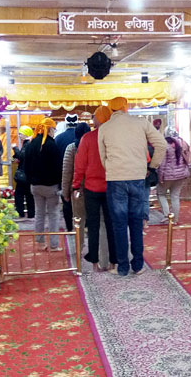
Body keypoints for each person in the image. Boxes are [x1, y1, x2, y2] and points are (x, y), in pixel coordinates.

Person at [99, 97, 167, 276]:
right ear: (126, 107)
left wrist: (114, 170)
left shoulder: (104, 128)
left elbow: (103, 157)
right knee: (136, 222)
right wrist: (151, 166)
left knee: (119, 225)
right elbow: (161, 144)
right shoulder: (141, 123)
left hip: (115, 180)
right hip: (138, 177)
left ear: (111, 110)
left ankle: (122, 267)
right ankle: (138, 265)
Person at [74, 106, 116, 271]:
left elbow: (80, 165)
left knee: (93, 226)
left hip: (91, 188)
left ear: (99, 119)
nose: (93, 120)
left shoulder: (88, 138)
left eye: (95, 117)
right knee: (112, 226)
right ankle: (114, 262)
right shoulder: (115, 138)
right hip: (112, 187)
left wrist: (76, 185)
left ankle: (94, 264)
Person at [25, 117, 63, 252]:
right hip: (50, 187)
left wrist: (31, 181)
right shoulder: (52, 145)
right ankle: (53, 245)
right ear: (50, 129)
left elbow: (26, 167)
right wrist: (60, 186)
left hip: (35, 186)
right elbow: (58, 168)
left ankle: (40, 243)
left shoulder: (31, 144)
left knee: (39, 214)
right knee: (53, 215)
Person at [61, 122, 92, 247]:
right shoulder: (95, 146)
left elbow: (67, 172)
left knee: (78, 219)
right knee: (95, 220)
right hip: (94, 188)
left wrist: (65, 192)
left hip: (77, 189)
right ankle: (96, 249)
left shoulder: (72, 147)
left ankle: (79, 247)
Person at [153, 127, 191, 225]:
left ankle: (167, 216)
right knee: (175, 196)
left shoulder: (165, 145)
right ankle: (175, 219)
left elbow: (162, 164)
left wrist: (160, 177)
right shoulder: (183, 143)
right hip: (181, 175)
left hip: (167, 176)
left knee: (161, 194)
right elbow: (187, 159)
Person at [55, 113, 79, 233]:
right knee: (81, 202)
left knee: (66, 201)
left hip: (63, 175)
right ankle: (81, 226)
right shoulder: (83, 137)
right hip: (81, 177)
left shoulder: (59, 138)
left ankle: (69, 227)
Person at [13, 126, 35, 219]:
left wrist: (15, 149)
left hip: (24, 175)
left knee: (19, 195)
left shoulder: (27, 144)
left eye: (20, 133)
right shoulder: (30, 143)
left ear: (26, 134)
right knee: (29, 195)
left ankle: (20, 212)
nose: (19, 135)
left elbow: (23, 156)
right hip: (29, 174)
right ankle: (31, 213)